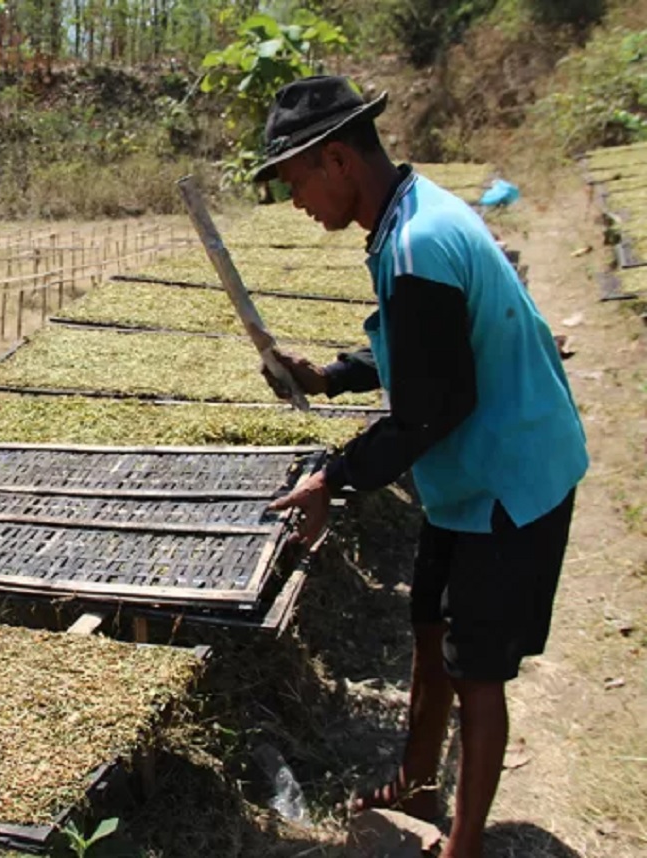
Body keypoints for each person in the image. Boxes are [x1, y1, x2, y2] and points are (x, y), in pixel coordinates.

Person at [255, 77, 587, 858]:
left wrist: (332, 478)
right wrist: (330, 375)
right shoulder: (408, 216)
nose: (297, 202)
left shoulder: (417, 243)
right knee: (430, 626)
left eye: (296, 181)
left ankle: (463, 845)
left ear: (338, 161)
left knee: (476, 670)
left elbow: (432, 407)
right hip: (468, 477)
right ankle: (416, 784)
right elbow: (421, 342)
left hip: (509, 477)